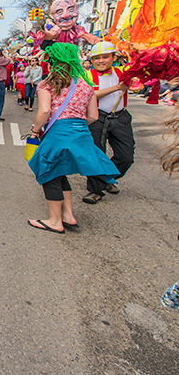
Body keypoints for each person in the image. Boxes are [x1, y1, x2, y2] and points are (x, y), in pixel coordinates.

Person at [26, 43, 120, 233]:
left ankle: (55, 221)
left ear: (51, 62)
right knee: (60, 172)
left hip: (58, 134)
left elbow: (44, 110)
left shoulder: (47, 84)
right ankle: (68, 215)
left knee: (48, 172)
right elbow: (93, 116)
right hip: (81, 134)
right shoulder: (85, 85)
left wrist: (35, 130)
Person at [83, 41, 134, 205]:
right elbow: (90, 95)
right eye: (97, 58)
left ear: (113, 57)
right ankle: (95, 190)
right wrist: (118, 88)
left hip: (120, 117)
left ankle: (107, 177)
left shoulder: (123, 72)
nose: (101, 61)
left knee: (126, 156)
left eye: (105, 57)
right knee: (96, 154)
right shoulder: (88, 75)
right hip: (97, 118)